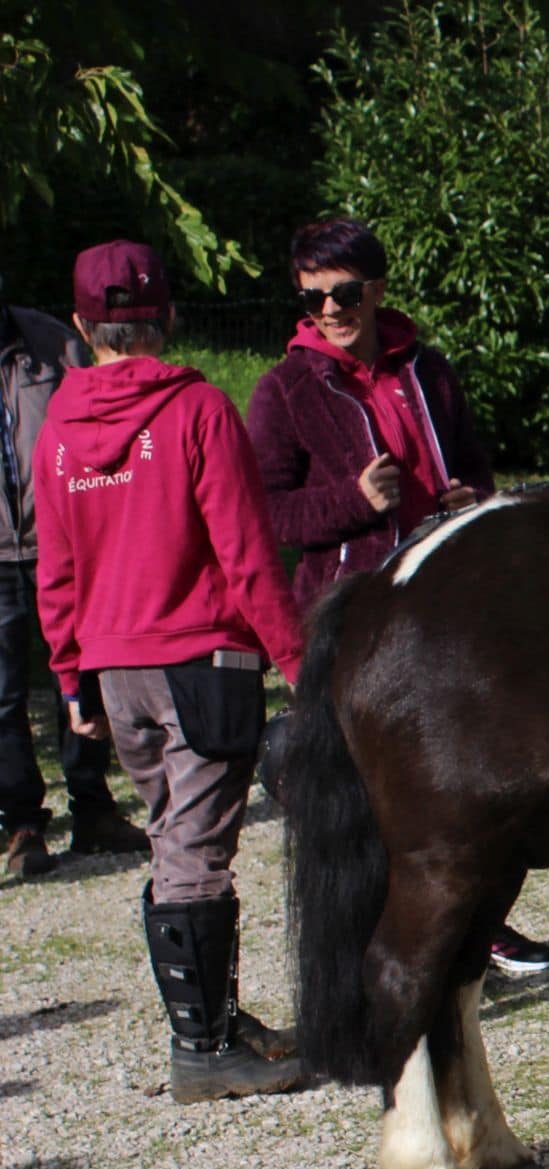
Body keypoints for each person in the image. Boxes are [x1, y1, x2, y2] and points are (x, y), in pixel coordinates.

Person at [245, 216, 549, 978]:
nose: (330, 310)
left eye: (345, 292)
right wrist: (352, 502)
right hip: (354, 613)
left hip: (451, 600)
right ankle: (384, 942)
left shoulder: (429, 369)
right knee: (370, 789)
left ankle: (481, 924)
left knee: (474, 768)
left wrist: (471, 494)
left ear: (377, 288)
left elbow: (475, 464)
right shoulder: (286, 390)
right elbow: (267, 511)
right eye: (313, 297)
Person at [35, 239, 309, 1102]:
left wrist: (70, 676)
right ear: (170, 317)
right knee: (195, 850)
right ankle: (202, 1048)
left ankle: (217, 1020)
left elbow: (56, 568)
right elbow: (246, 553)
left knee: (172, 836)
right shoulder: (198, 410)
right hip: (202, 658)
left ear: (81, 326)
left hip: (117, 668)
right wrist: (301, 661)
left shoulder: (57, 430)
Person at [2, 277, 149, 876]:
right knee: (3, 694)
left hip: (59, 540)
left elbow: (93, 427)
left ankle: (93, 807)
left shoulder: (53, 344)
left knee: (84, 676)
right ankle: (22, 823)